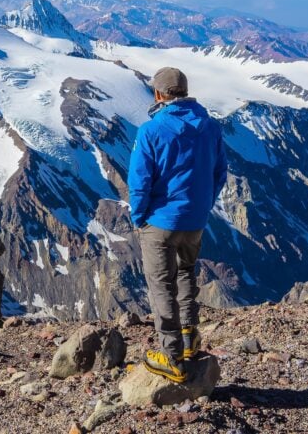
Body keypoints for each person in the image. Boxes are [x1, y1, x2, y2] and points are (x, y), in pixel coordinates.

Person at [128, 67, 228, 382]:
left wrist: (139, 216)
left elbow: (140, 181)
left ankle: (171, 358)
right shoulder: (210, 127)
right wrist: (203, 206)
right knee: (186, 274)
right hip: (195, 219)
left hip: (160, 221)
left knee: (162, 286)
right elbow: (219, 172)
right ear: (184, 91)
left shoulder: (151, 130)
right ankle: (189, 340)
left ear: (158, 95)